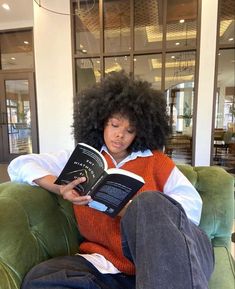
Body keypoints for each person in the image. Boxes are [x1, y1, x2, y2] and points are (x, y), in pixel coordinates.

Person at [8, 71, 214, 289]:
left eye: (130, 130)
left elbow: (193, 208)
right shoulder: (84, 158)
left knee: (149, 202)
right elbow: (20, 165)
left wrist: (134, 210)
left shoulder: (156, 161)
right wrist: (60, 188)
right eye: (115, 125)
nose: (120, 135)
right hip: (105, 265)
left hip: (163, 262)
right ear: (101, 122)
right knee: (40, 279)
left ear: (141, 132)